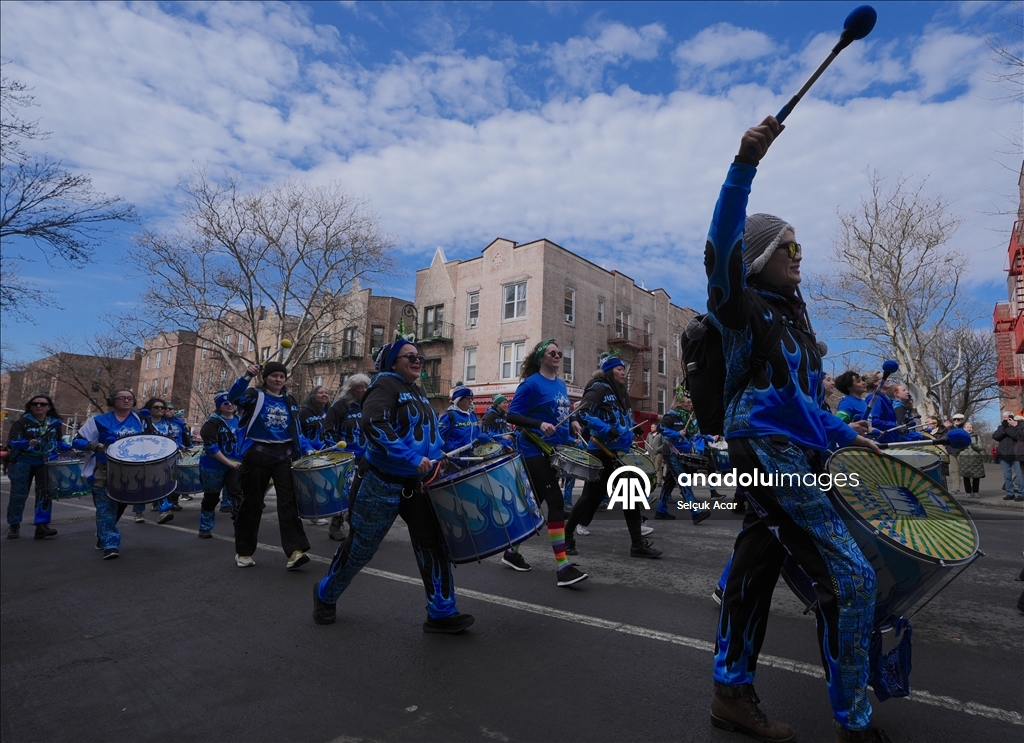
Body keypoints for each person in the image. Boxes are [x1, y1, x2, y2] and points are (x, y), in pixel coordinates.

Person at [704, 117, 886, 743]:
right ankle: (854, 720)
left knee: (756, 570)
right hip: (764, 450)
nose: (800, 258)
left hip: (796, 450)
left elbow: (803, 402)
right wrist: (743, 164)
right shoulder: (741, 306)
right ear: (761, 257)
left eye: (801, 248)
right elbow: (719, 248)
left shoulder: (795, 323)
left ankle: (730, 692)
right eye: (792, 248)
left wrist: (841, 434)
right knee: (851, 576)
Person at [313, 336, 475, 633]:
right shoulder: (384, 384)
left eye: (419, 358)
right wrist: (411, 457)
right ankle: (325, 593)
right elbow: (373, 424)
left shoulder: (418, 392)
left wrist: (440, 459)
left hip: (417, 486)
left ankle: (441, 612)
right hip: (379, 483)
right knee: (361, 548)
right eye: (409, 357)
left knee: (433, 545)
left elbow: (430, 435)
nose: (417, 361)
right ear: (391, 362)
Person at [505, 339, 589, 586]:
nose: (557, 356)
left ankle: (511, 551)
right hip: (533, 450)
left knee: (536, 503)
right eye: (552, 352)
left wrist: (572, 422)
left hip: (553, 451)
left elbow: (563, 410)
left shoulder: (561, 384)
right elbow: (511, 415)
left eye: (559, 353)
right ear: (541, 357)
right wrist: (538, 424)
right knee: (554, 501)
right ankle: (562, 567)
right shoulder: (530, 385)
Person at [564, 354, 661, 558]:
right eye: (619, 369)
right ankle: (566, 536)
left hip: (620, 453)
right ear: (609, 371)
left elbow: (621, 418)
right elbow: (581, 413)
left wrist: (630, 429)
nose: (623, 372)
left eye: (624, 369)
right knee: (590, 497)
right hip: (600, 451)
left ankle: (637, 545)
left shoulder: (619, 392)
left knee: (630, 497)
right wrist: (607, 429)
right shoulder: (598, 387)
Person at [228, 361, 319, 570]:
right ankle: (243, 551)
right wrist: (245, 377)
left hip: (284, 455)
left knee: (288, 502)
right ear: (265, 378)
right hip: (258, 455)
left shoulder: (290, 400)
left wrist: (308, 449)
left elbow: (296, 430)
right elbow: (232, 398)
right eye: (274, 376)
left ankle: (296, 551)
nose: (278, 379)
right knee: (252, 503)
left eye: (282, 376)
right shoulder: (253, 395)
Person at [73, 389, 147, 559]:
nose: (126, 401)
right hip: (104, 470)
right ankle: (110, 544)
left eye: (130, 398)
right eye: (122, 398)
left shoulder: (141, 420)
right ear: (112, 401)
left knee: (119, 506)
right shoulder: (98, 420)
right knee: (105, 508)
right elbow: (77, 441)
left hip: (131, 472)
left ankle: (103, 533)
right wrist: (96, 446)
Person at [4, 394, 66, 540]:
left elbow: (58, 442)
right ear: (30, 406)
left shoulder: (54, 423)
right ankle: (14, 525)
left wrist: (69, 447)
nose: (39, 406)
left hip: (44, 462)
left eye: (43, 404)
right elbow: (11, 442)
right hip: (22, 462)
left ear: (48, 407)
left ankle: (42, 526)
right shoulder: (22, 422)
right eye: (35, 404)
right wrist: (25, 443)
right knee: (18, 494)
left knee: (45, 494)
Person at [323, 374, 371, 541]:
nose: (364, 390)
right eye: (360, 387)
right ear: (351, 389)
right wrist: (337, 452)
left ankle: (356, 525)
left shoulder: (369, 406)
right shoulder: (340, 406)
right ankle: (335, 526)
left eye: (366, 387)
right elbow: (327, 431)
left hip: (367, 458)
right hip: (345, 457)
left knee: (362, 494)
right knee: (344, 492)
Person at [657, 391, 712, 523]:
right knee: (683, 481)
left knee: (669, 483)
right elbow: (660, 428)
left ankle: (661, 510)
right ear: (680, 403)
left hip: (680, 453)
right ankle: (696, 512)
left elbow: (694, 435)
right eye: (688, 402)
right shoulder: (671, 416)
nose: (691, 405)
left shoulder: (686, 418)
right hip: (671, 452)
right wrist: (677, 433)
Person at [197, 391, 243, 538]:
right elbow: (212, 448)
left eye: (233, 402)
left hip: (235, 465)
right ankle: (205, 526)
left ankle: (240, 527)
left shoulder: (240, 420)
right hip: (213, 466)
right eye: (226, 403)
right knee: (212, 497)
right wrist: (228, 462)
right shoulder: (211, 423)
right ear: (219, 406)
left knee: (237, 495)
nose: (230, 405)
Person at [299, 385, 332, 526]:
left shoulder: (330, 411)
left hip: (326, 453)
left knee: (322, 484)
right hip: (308, 453)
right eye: (321, 393)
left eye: (326, 392)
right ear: (313, 395)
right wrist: (308, 448)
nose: (324, 395)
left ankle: (318, 513)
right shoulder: (304, 412)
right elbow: (298, 433)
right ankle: (312, 514)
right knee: (310, 485)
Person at [140, 398, 177, 523]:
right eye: (156, 407)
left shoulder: (167, 424)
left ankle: (164, 511)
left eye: (163, 407)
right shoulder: (143, 422)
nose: (160, 409)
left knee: (162, 484)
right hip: (146, 458)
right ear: (149, 409)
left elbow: (171, 438)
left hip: (164, 458)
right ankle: (139, 512)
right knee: (143, 486)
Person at [438, 384, 486, 452]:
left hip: (474, 455)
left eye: (471, 398)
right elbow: (440, 437)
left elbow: (477, 432)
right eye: (467, 398)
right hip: (457, 457)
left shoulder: (473, 415)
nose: (470, 400)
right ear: (459, 400)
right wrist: (455, 450)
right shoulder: (449, 416)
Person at [992, 412, 1022, 501]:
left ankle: (1021, 493)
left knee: (1019, 476)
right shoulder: (1000, 427)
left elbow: (1017, 436)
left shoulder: (1017, 427)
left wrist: (1008, 428)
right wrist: (1004, 429)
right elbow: (995, 436)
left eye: (1008, 417)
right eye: (1004, 417)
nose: (1005, 419)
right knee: (1007, 476)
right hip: (1004, 454)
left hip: (1016, 454)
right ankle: (1010, 493)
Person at [957, 421, 985, 498]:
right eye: (967, 427)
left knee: (976, 476)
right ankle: (968, 492)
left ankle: (976, 492)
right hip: (964, 459)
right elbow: (957, 447)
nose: (969, 429)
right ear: (964, 428)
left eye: (970, 427)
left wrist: (973, 444)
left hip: (975, 460)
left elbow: (980, 448)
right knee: (966, 476)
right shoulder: (960, 436)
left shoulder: (976, 437)